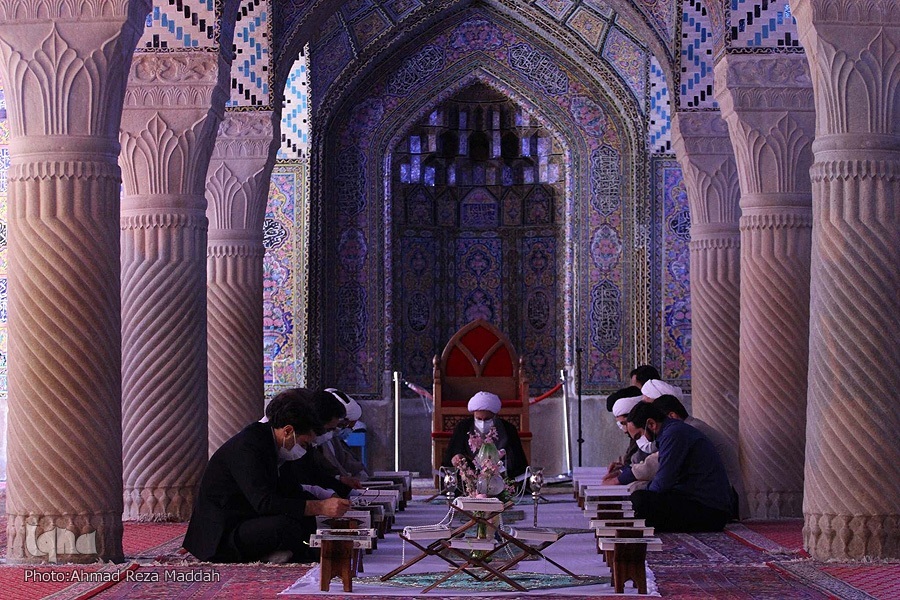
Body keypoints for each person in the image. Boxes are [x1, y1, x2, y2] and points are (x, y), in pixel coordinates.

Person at [183, 388, 350, 563]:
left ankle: (299, 550)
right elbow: (265, 503)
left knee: (303, 518)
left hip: (248, 519)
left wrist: (325, 505)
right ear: (287, 431)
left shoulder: (275, 446)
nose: (305, 449)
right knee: (285, 527)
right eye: (304, 443)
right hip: (222, 534)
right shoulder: (248, 447)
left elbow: (290, 490)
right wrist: (320, 507)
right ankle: (293, 552)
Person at [625, 402, 732, 532]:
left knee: (640, 500)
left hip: (710, 511)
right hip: (700, 503)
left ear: (651, 424)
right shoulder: (672, 432)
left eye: (639, 435)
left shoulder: (673, 434)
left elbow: (662, 483)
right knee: (641, 500)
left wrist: (641, 489)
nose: (640, 440)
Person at [652, 394, 744, 519]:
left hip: (723, 497)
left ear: (672, 416)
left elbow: (661, 465)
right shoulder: (688, 427)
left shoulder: (683, 431)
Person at [442, 390, 528, 479]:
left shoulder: (508, 429)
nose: (482, 423)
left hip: (501, 479)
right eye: (479, 419)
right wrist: (456, 458)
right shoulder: (463, 428)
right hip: (470, 480)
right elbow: (451, 458)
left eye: (487, 419)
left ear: (495, 416)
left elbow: (518, 463)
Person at [319, 388, 370, 481]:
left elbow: (348, 461)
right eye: (346, 426)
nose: (348, 430)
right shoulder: (320, 439)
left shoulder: (334, 439)